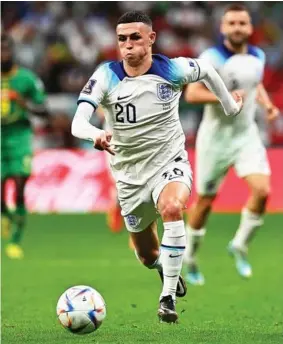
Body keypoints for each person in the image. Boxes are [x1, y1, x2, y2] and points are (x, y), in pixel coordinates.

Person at [71, 11, 243, 323]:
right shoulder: (106, 75)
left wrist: (229, 105)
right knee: (147, 254)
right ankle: (167, 269)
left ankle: (166, 298)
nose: (127, 45)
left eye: (135, 37)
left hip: (169, 162)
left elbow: (206, 70)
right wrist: (95, 133)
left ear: (151, 38)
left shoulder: (172, 69)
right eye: (122, 39)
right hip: (129, 176)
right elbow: (77, 122)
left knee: (173, 207)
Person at [183, 4, 279, 286]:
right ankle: (190, 255)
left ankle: (239, 245)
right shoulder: (211, 58)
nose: (237, 28)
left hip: (246, 135)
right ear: (223, 28)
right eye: (232, 23)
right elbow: (192, 93)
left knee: (262, 191)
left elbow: (255, 84)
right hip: (215, 139)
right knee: (205, 201)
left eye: (242, 23)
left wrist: (267, 104)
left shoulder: (258, 56)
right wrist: (224, 98)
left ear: (250, 28)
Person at [1, 34, 51, 259]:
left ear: (12, 52)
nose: (3, 55)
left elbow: (44, 111)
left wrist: (22, 102)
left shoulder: (26, 79)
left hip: (19, 136)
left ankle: (16, 239)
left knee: (19, 186)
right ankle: (5, 215)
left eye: (6, 50)